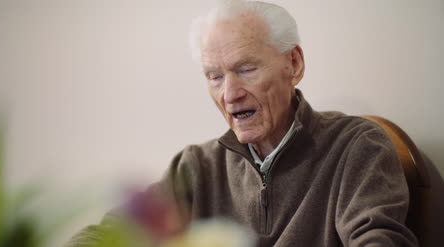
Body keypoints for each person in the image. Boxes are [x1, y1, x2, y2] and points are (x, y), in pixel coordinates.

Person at [67, 1, 418, 246]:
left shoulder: (357, 146)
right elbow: (114, 234)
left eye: (246, 69)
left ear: (293, 64)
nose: (230, 94)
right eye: (215, 76)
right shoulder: (197, 166)